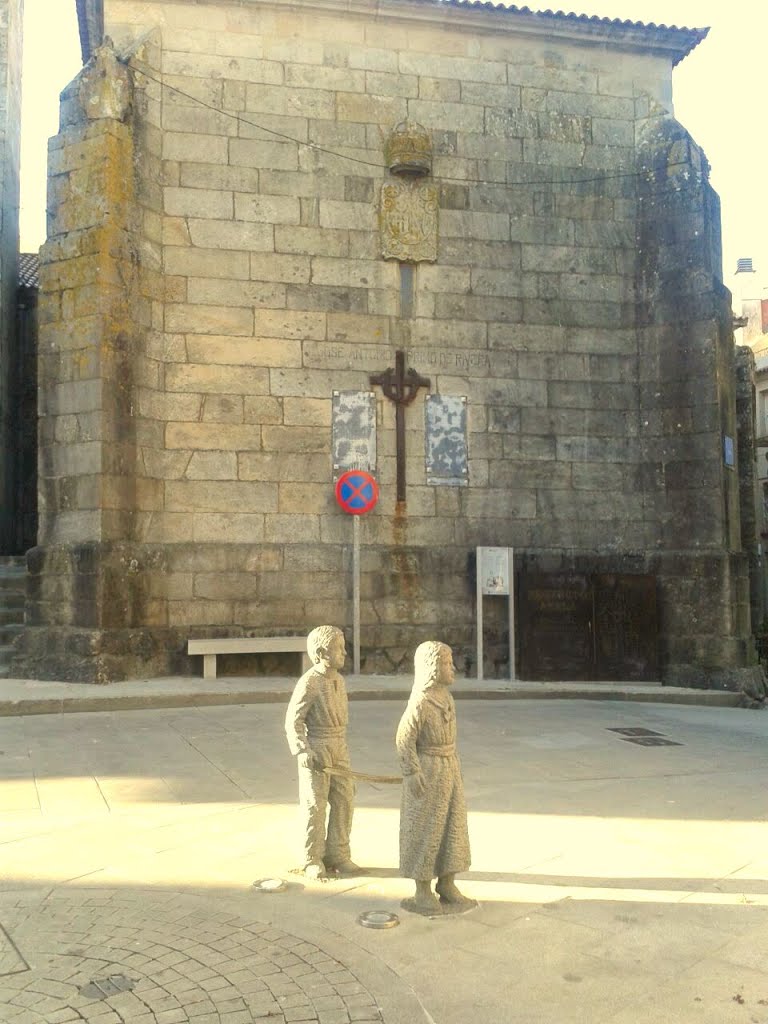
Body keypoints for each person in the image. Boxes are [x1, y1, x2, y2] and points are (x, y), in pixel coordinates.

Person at [396, 640, 475, 914]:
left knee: (453, 827)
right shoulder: (421, 701)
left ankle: (447, 881)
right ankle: (422, 889)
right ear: (431, 668)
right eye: (446, 663)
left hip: (450, 768)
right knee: (426, 827)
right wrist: (412, 770)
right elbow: (403, 739)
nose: (452, 667)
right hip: (429, 771)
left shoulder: (447, 698)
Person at [285, 625, 358, 879]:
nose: (345, 653)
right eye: (339, 648)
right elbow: (294, 720)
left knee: (345, 799)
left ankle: (338, 853)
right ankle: (311, 857)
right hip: (317, 747)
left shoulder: (339, 680)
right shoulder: (311, 682)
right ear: (321, 652)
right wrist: (302, 749)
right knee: (315, 803)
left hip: (339, 745)